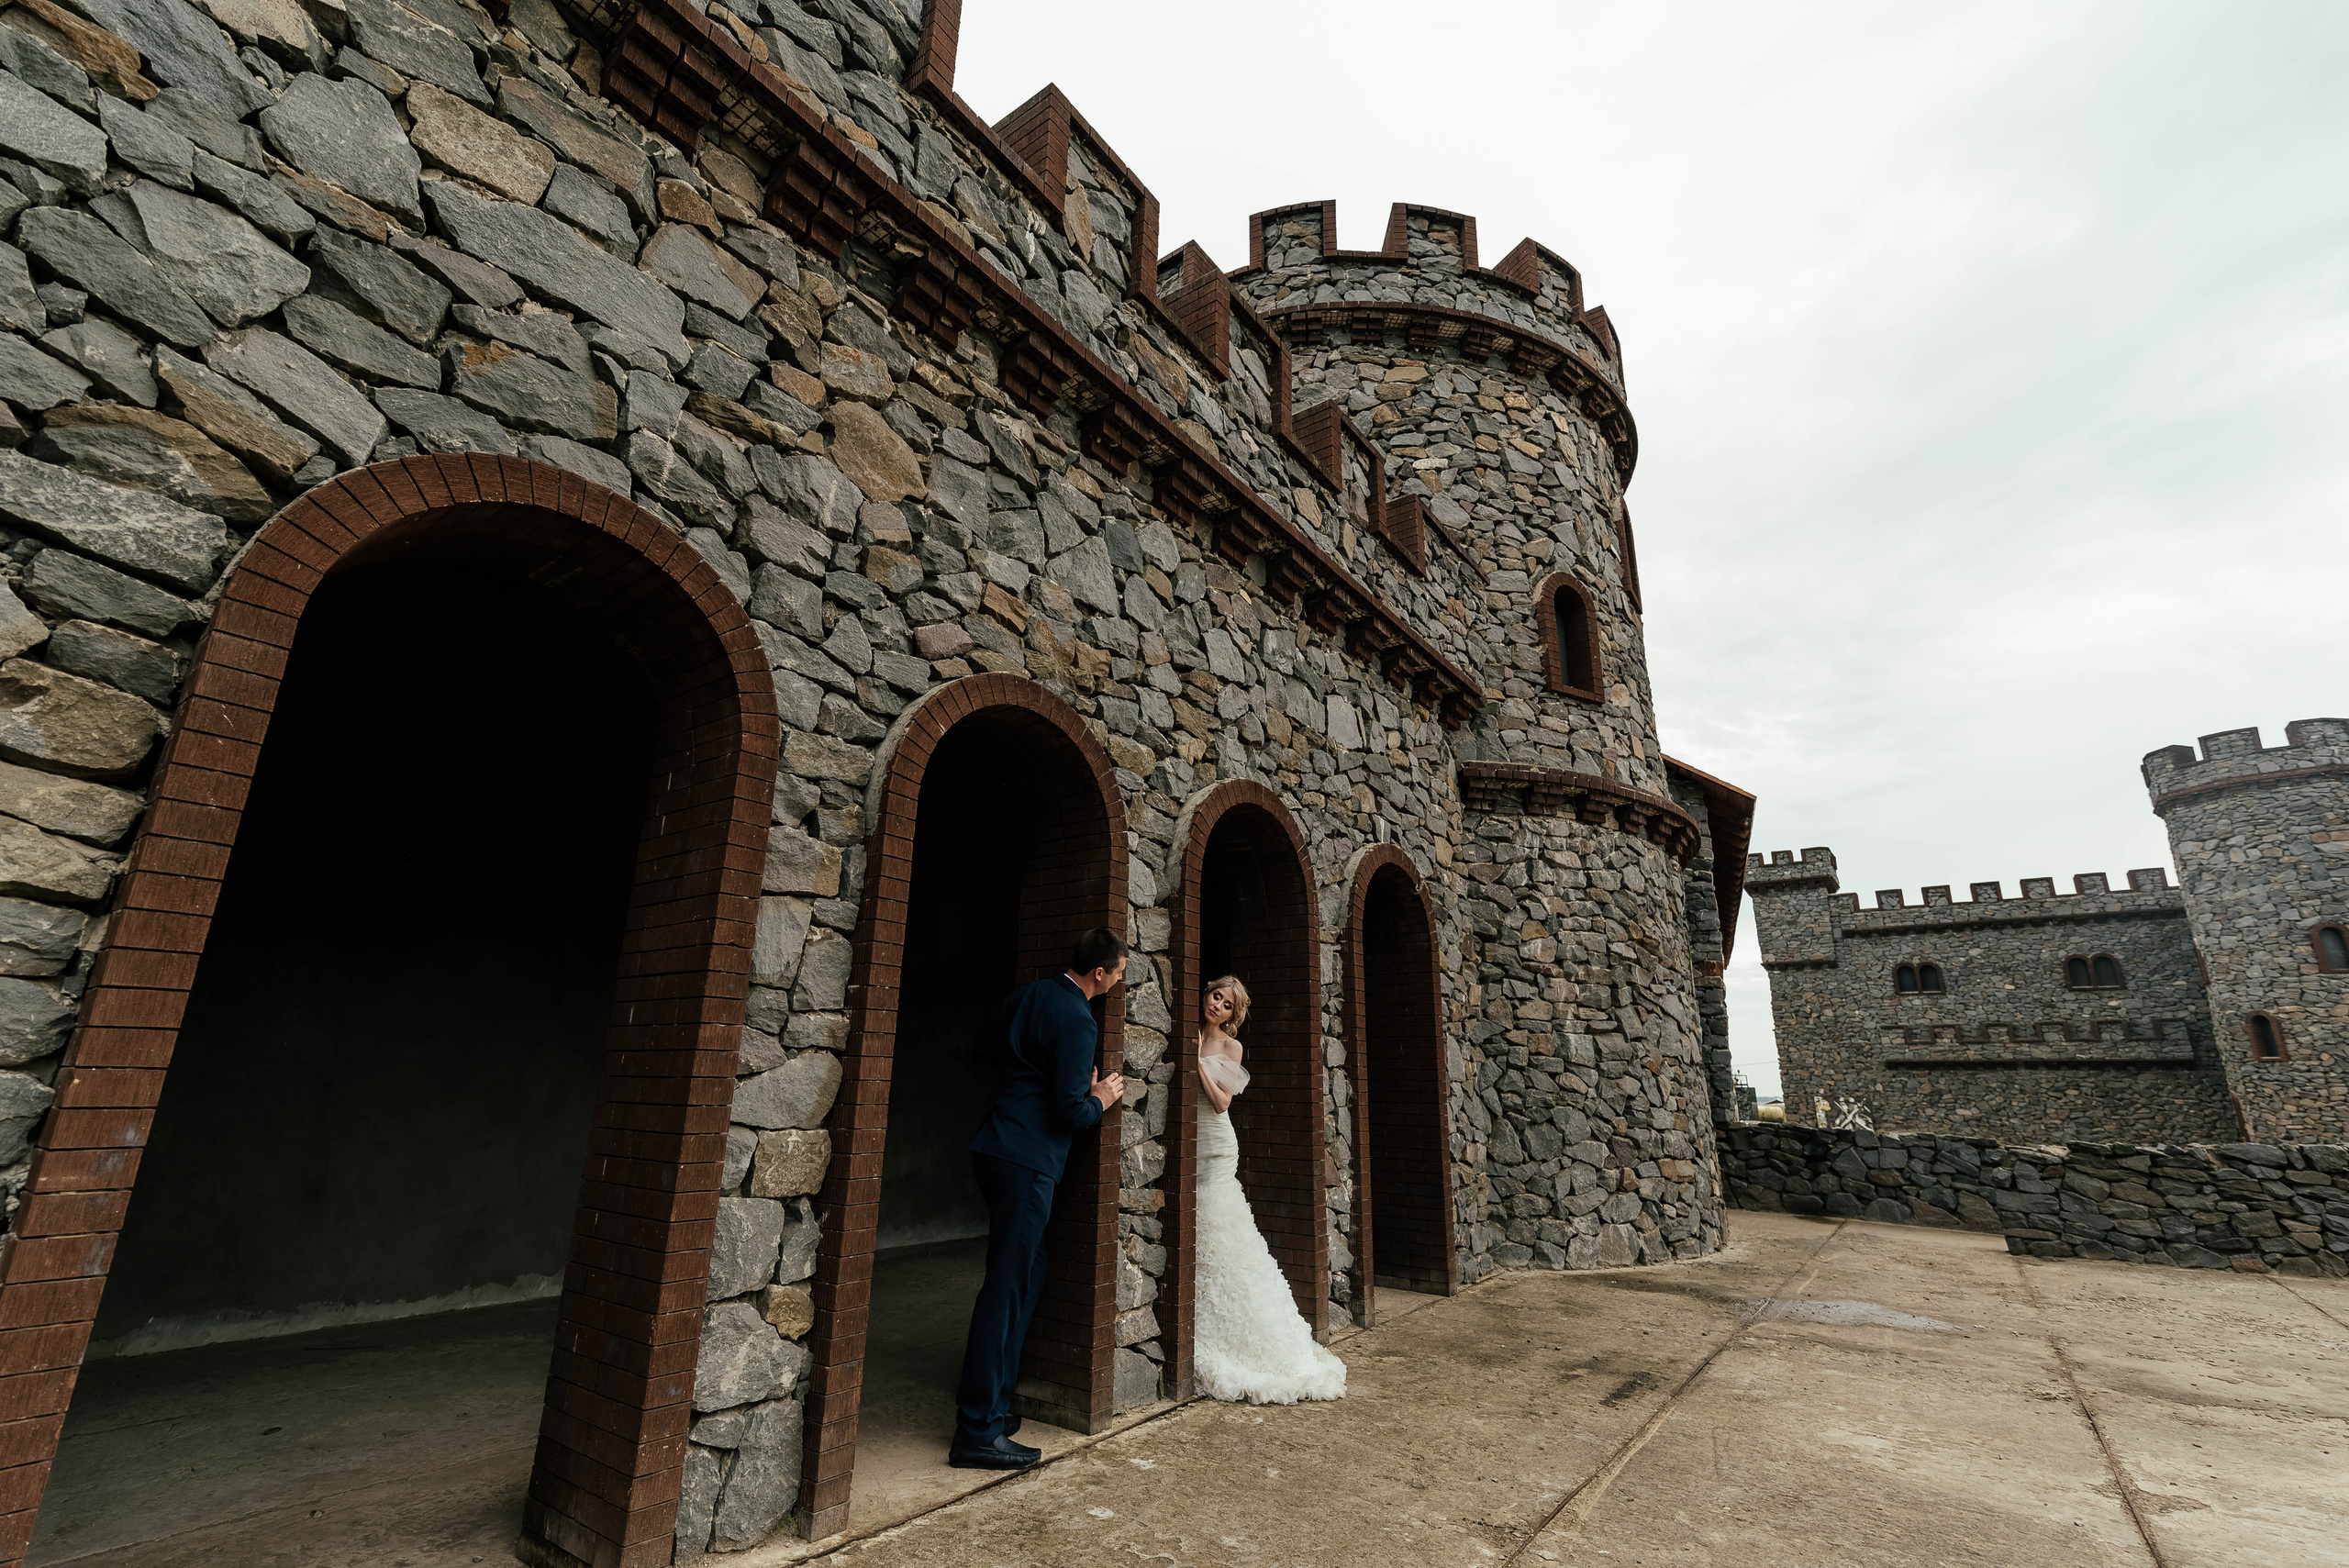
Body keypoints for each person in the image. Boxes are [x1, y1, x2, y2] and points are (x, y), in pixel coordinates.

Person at [949, 928, 1128, 1469]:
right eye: (1119, 972)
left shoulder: (1029, 995)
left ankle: (995, 1409)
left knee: (1028, 1271)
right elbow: (1071, 1114)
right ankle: (976, 1431)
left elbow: (985, 1050)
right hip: (1028, 1163)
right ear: (1100, 973)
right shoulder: (1078, 1018)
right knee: (1003, 1291)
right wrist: (1099, 1098)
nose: (1119, 981)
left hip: (995, 1146)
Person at [1191, 975, 1347, 1404]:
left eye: (1227, 1005)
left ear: (1233, 1015)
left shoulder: (1229, 1048)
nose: (1218, 1006)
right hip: (1191, 1141)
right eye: (1215, 996)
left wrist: (1197, 1064)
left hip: (1218, 1146)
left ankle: (1255, 1337)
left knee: (1222, 1227)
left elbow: (1222, 1102)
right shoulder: (1188, 1029)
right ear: (1206, 995)